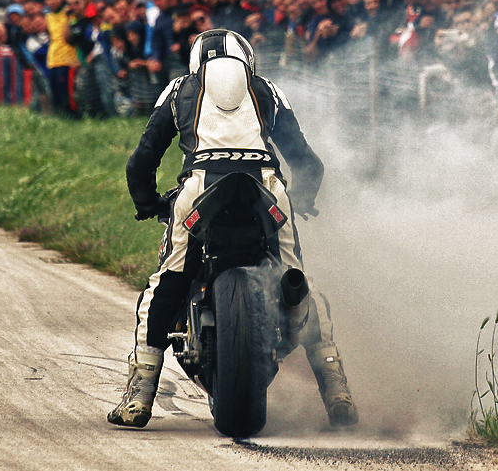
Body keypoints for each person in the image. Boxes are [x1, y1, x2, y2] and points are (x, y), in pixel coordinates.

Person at [109, 29, 358, 429]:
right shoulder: (268, 90)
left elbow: (141, 161)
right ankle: (336, 389)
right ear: (248, 61)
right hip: (267, 190)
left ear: (196, 63)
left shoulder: (178, 90)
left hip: (198, 189)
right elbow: (308, 162)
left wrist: (147, 204)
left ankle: (139, 395)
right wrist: (302, 199)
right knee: (296, 279)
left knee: (167, 280)